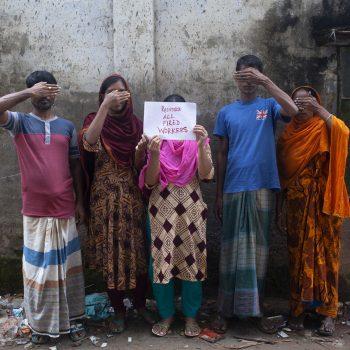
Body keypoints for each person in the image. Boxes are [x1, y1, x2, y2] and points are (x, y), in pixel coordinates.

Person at [212, 55, 299, 333]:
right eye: (243, 76)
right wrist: (217, 194)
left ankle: (255, 309)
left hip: (262, 185)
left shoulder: (269, 105)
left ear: (260, 77)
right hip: (233, 187)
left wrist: (267, 83)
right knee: (230, 251)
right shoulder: (226, 112)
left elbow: (293, 110)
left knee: (259, 252)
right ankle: (225, 311)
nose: (248, 82)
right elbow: (222, 154)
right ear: (235, 78)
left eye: (253, 76)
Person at [0, 71, 86, 344]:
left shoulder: (67, 127)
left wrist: (80, 202)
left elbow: (75, 166)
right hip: (35, 211)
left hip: (64, 208)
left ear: (55, 93)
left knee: (66, 269)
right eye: (40, 90)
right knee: (38, 272)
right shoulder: (20, 123)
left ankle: (71, 320)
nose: (44, 95)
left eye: (49, 90)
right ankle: (40, 326)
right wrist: (28, 92)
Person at [80, 74, 154, 333]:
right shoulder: (94, 119)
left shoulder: (136, 125)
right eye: (111, 92)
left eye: (121, 91)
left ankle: (140, 305)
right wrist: (104, 107)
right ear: (102, 96)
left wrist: (140, 153)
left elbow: (137, 167)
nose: (117, 96)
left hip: (131, 199)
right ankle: (119, 311)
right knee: (110, 256)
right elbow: (88, 143)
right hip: (104, 199)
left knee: (137, 254)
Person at [138, 94, 214, 337]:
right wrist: (156, 154)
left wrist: (202, 145)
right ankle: (167, 314)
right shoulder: (155, 142)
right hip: (161, 210)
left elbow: (206, 175)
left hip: (191, 210)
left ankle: (191, 316)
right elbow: (150, 182)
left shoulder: (197, 140)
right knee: (161, 261)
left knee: (192, 259)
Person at [277, 86, 349, 336]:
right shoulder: (288, 135)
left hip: (325, 206)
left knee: (327, 258)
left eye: (308, 101)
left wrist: (321, 111)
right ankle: (298, 310)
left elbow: (344, 132)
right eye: (297, 101)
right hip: (297, 205)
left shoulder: (324, 127)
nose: (303, 105)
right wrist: (279, 209)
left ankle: (327, 314)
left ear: (317, 103)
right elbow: (283, 177)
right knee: (299, 259)